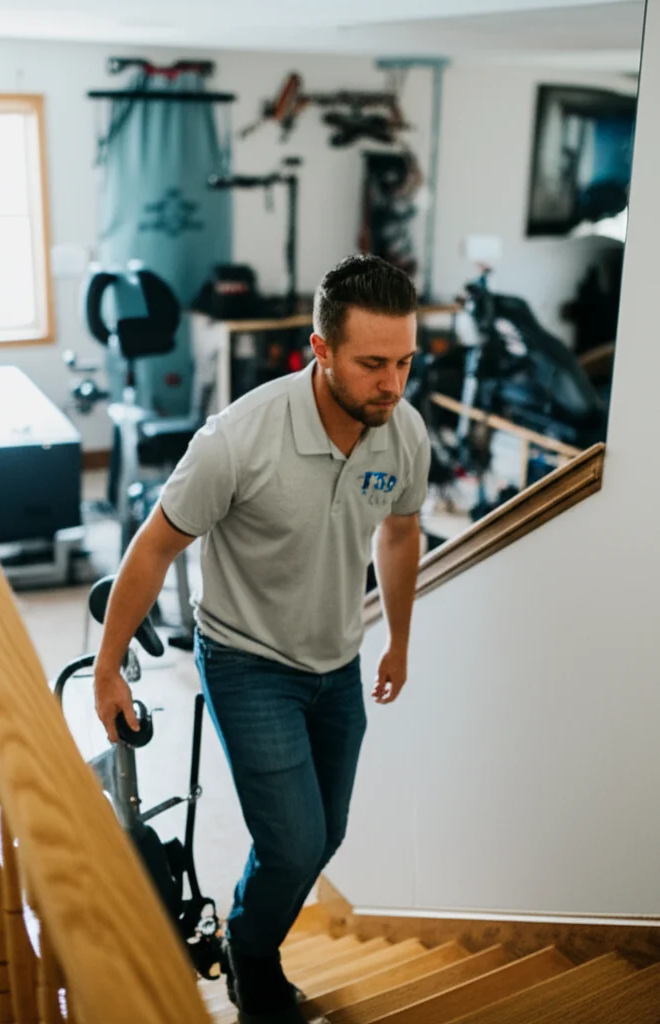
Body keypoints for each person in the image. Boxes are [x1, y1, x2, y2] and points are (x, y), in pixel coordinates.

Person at [93, 253, 430, 1024]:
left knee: (324, 836)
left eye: (405, 361)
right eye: (373, 363)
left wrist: (398, 640)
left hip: (336, 659)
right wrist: (109, 669)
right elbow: (153, 547)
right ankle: (251, 957)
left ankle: (247, 938)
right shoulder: (237, 440)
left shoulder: (400, 431)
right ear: (321, 350)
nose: (394, 383)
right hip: (247, 661)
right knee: (291, 843)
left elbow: (402, 534)